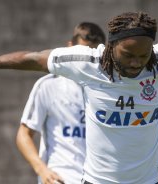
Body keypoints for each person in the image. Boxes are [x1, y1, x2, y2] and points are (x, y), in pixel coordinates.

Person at [0, 11, 158, 184]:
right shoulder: (88, 63)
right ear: (111, 47)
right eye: (128, 55)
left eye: (143, 55)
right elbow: (34, 59)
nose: (136, 62)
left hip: (151, 180)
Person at [17, 22, 106, 184]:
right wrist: (42, 170)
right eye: (83, 53)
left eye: (94, 56)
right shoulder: (48, 86)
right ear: (69, 48)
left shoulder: (108, 90)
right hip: (61, 177)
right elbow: (24, 135)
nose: (88, 61)